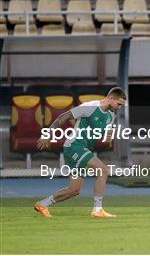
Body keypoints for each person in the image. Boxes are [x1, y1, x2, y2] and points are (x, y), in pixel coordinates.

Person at [34, 87, 127, 218]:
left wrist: (108, 136)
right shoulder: (90, 107)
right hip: (74, 146)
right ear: (111, 98)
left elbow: (103, 138)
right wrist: (47, 134)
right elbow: (64, 116)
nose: (119, 107)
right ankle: (97, 210)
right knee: (103, 170)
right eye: (119, 104)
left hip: (83, 149)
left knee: (74, 190)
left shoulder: (110, 116)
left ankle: (42, 204)